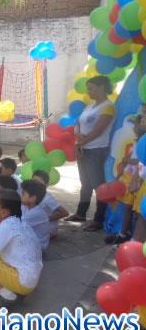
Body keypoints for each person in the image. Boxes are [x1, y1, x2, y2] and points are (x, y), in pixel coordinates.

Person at [66, 76, 116, 231]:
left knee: (98, 185)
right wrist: (78, 137)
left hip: (96, 150)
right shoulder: (90, 106)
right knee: (85, 184)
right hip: (84, 148)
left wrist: (82, 142)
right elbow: (78, 124)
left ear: (101, 88)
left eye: (92, 88)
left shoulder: (108, 106)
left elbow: (99, 130)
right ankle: (81, 213)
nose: (89, 91)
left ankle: (99, 220)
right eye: (88, 88)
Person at [31, 170, 69, 239]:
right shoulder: (33, 194)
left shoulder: (47, 198)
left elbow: (65, 213)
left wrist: (44, 219)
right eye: (33, 181)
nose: (35, 184)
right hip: (39, 225)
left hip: (48, 229)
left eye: (39, 182)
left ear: (46, 185)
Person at [20, 180, 50, 251]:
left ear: (33, 198)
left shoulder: (35, 213)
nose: (21, 196)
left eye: (23, 194)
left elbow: (14, 227)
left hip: (37, 247)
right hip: (30, 241)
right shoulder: (26, 206)